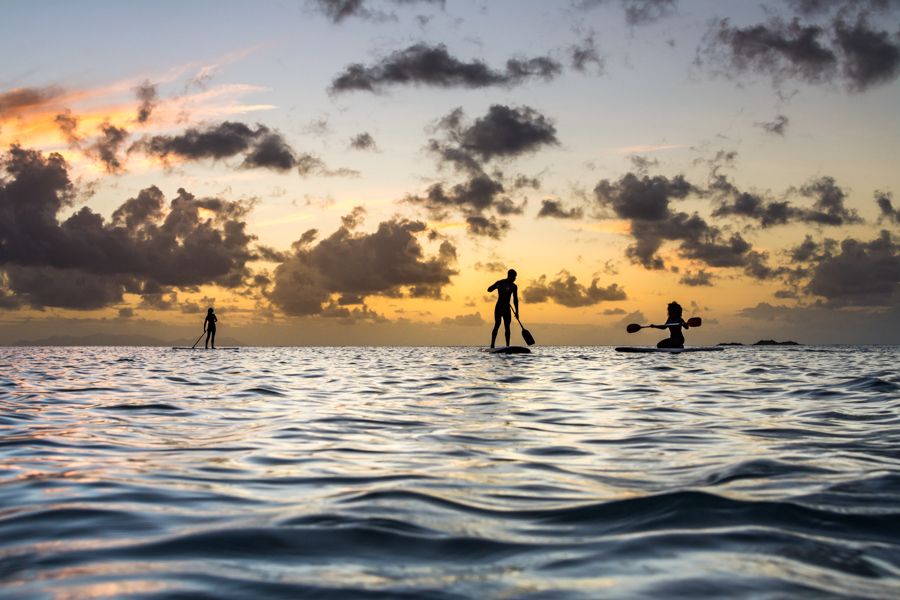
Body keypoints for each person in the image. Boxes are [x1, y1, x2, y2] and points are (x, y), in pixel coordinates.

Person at [488, 269, 519, 348]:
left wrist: (517, 312)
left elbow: (515, 299)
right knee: (497, 324)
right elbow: (489, 290)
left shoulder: (514, 286)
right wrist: (496, 286)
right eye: (514, 277)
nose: (515, 278)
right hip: (499, 307)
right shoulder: (500, 282)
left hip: (507, 309)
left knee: (507, 327)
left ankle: (507, 346)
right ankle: (492, 345)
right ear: (510, 276)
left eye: (515, 277)